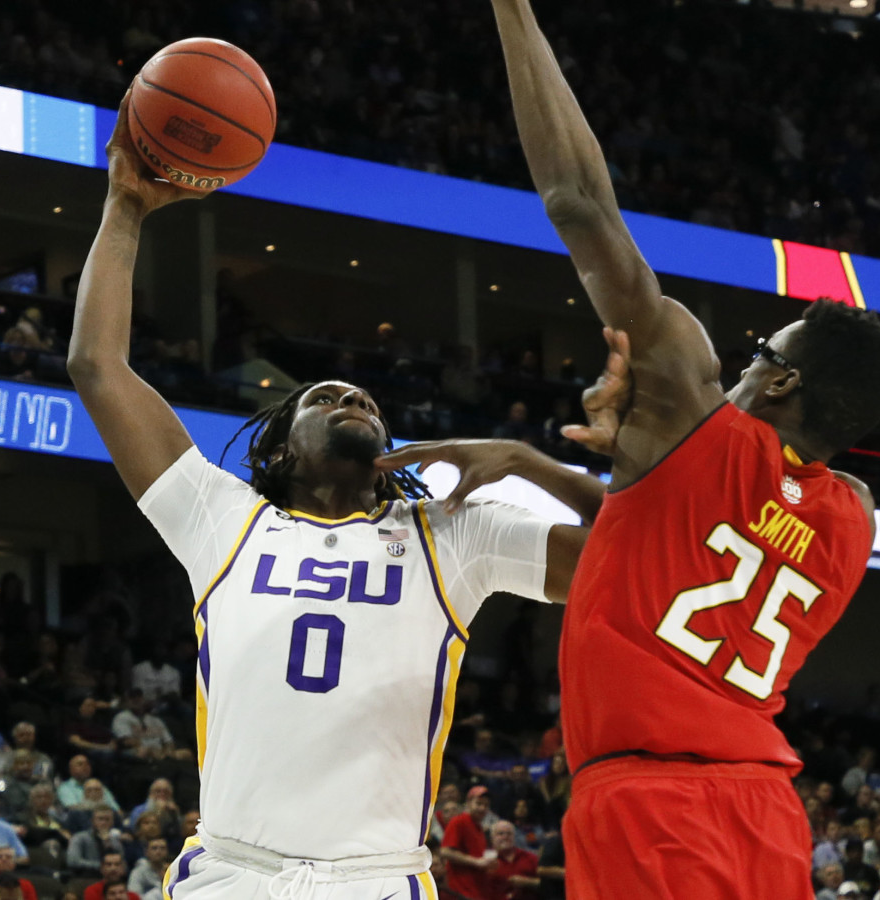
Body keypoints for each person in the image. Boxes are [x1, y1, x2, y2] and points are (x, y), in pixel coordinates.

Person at [66, 91, 606, 900]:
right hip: (233, 873)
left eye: (367, 402)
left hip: (376, 880)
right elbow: (97, 369)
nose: (355, 401)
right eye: (326, 397)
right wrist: (124, 206)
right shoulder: (223, 519)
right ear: (280, 446)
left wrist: (532, 462)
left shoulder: (453, 533)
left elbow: (640, 564)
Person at [487, 1, 880, 898]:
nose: (748, 361)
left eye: (766, 352)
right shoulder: (853, 524)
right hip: (765, 813)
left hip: (650, 802)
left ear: (784, 383)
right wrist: (567, 469)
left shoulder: (686, 407)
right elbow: (680, 541)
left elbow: (575, 200)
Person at [441, 787, 497, 900]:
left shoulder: (479, 828)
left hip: (476, 892)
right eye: (478, 803)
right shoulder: (459, 821)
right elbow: (445, 851)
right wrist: (476, 862)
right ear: (468, 803)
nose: (482, 808)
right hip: (461, 892)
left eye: (486, 805)